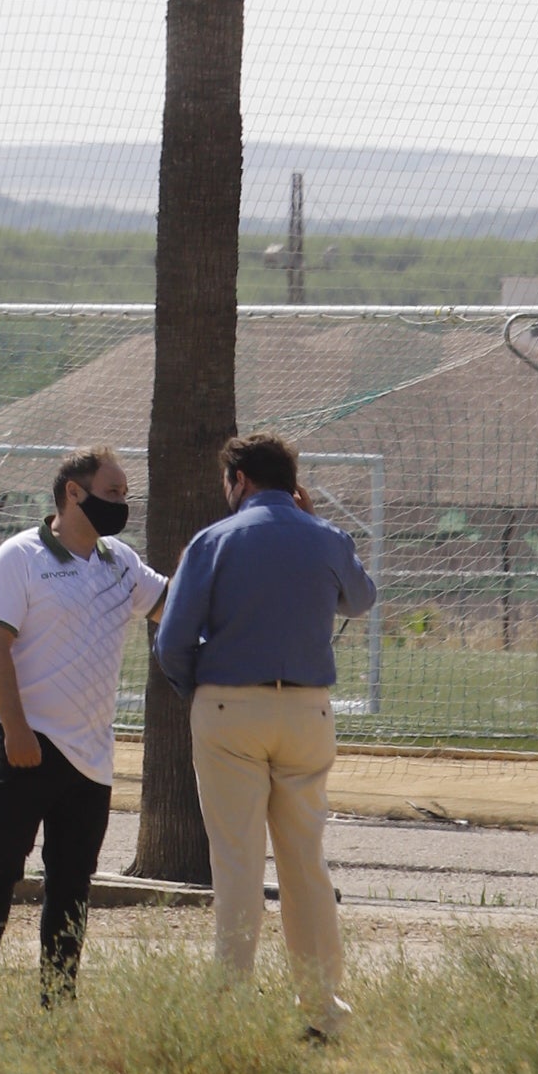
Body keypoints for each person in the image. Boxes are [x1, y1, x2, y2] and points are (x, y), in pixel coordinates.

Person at [147, 428, 378, 1035]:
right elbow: (360, 599)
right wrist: (315, 524)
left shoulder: (212, 541)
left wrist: (199, 692)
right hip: (308, 712)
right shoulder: (326, 537)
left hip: (228, 709)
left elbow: (171, 640)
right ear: (291, 482)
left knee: (237, 865)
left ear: (239, 480)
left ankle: (229, 1007)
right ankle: (324, 1011)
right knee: (306, 862)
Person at [0, 444, 164, 1002]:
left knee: (72, 886)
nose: (122, 504)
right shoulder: (19, 556)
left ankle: (57, 1002)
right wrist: (17, 731)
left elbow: (172, 605)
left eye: (125, 494)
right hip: (28, 747)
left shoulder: (121, 561)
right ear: (74, 493)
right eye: (112, 493)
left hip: (91, 758)